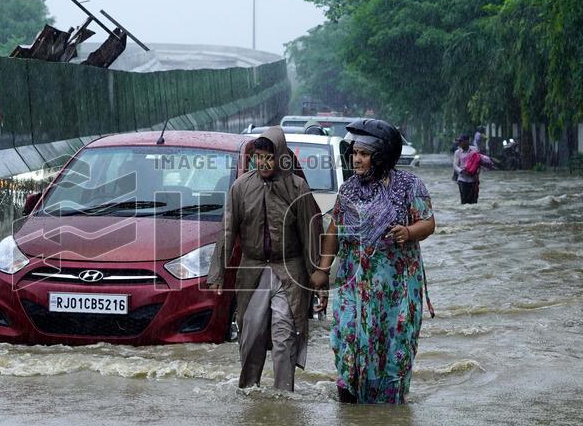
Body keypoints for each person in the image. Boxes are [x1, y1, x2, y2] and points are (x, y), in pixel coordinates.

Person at [316, 118, 435, 404]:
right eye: (355, 152)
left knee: (393, 346)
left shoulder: (410, 186)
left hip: (396, 286)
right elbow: (335, 229)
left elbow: (428, 223)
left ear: (380, 157)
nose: (356, 159)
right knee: (346, 336)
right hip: (353, 283)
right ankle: (349, 398)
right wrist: (322, 271)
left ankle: (388, 411)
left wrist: (408, 232)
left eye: (364, 154)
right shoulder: (348, 190)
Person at [207, 127, 325, 391]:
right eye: (258, 157)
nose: (263, 163)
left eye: (269, 157)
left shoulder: (297, 188)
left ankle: (284, 397)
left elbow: (311, 233)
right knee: (251, 334)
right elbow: (227, 232)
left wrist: (318, 276)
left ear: (281, 157)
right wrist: (216, 274)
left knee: (284, 335)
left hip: (289, 270)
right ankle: (249, 391)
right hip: (253, 269)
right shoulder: (241, 188)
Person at [453, 134, 494, 204]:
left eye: (461, 141)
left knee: (474, 202)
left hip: (473, 180)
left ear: (467, 141)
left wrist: (480, 170)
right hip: (462, 179)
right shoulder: (457, 152)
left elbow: (479, 161)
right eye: (458, 141)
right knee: (464, 202)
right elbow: (455, 165)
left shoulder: (474, 150)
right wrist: (461, 171)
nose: (459, 143)